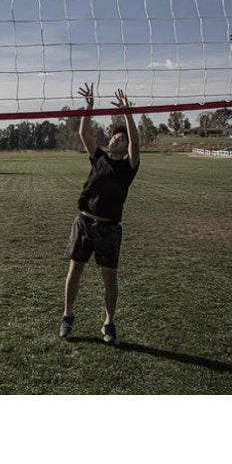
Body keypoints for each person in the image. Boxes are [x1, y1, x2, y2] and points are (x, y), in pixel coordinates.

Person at [60, 84, 140, 345]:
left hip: (108, 228)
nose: (117, 139)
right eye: (115, 136)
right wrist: (89, 106)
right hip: (83, 222)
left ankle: (108, 323)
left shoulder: (128, 167)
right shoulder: (99, 158)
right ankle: (68, 316)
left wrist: (127, 112)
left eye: (122, 138)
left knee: (109, 278)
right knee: (75, 271)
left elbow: (136, 141)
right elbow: (84, 132)